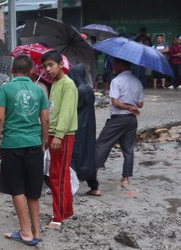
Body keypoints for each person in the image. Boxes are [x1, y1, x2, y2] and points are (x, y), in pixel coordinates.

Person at [0, 55, 50, 246]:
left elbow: (0, 118)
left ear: (12, 70)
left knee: (17, 188)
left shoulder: (5, 89)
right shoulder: (39, 90)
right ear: (32, 71)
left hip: (12, 143)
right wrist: (43, 143)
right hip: (34, 144)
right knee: (33, 190)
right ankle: (37, 230)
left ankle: (25, 233)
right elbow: (45, 120)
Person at [41, 50, 78, 229]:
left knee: (59, 176)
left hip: (63, 135)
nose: (48, 69)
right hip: (54, 134)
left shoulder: (68, 84)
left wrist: (59, 135)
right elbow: (52, 111)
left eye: (51, 65)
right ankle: (66, 211)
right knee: (57, 174)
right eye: (45, 66)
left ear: (61, 65)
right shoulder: (54, 84)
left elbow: (67, 112)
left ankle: (59, 215)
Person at [94, 58, 143, 190]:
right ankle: (125, 178)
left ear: (120, 65)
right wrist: (131, 105)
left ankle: (92, 174)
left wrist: (127, 107)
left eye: (115, 64)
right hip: (131, 120)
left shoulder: (116, 81)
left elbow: (115, 102)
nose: (114, 66)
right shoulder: (137, 81)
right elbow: (140, 104)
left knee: (101, 144)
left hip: (118, 119)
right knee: (128, 149)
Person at [68, 65, 99, 196]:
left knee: (74, 154)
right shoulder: (89, 89)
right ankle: (94, 186)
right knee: (88, 154)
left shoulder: (77, 90)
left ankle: (71, 186)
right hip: (89, 126)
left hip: (78, 126)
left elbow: (71, 109)